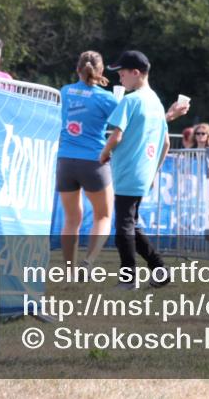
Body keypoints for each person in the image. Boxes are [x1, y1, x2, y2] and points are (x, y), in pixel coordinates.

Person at [99, 50, 171, 289]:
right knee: (130, 224)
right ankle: (160, 269)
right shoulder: (156, 102)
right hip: (143, 173)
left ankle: (128, 278)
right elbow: (166, 143)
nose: (120, 79)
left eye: (122, 74)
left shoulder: (130, 101)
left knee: (123, 228)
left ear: (136, 73)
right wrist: (154, 171)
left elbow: (116, 135)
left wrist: (104, 153)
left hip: (128, 172)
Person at [56, 51, 118, 269]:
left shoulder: (65, 91)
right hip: (94, 161)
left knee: (71, 219)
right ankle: (88, 263)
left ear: (77, 69)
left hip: (65, 161)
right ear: (100, 71)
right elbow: (124, 124)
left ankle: (69, 269)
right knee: (103, 216)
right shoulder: (106, 98)